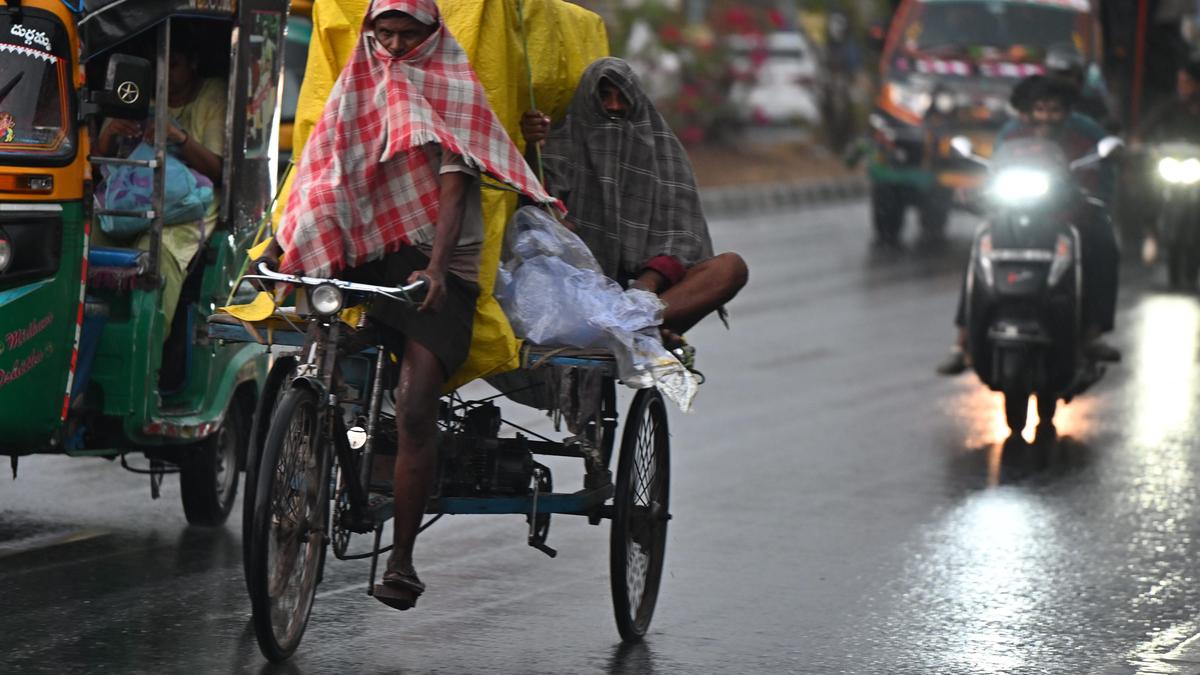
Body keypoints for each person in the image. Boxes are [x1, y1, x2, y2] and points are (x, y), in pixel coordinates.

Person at [258, 0, 558, 611]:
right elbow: (328, 162)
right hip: (377, 243)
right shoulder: (362, 77)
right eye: (384, 33)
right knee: (320, 337)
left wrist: (439, 269)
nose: (393, 46)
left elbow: (454, 188)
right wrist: (288, 239)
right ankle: (317, 427)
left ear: (430, 34)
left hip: (440, 259)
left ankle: (401, 560)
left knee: (418, 403)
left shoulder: (452, 85)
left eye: (405, 34)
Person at [520, 57, 748, 348]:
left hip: (649, 296)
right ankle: (639, 330)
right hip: (578, 291)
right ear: (589, 100)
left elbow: (683, 237)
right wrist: (531, 147)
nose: (614, 106)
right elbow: (535, 211)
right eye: (604, 96)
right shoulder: (563, 144)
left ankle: (634, 326)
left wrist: (645, 287)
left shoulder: (663, 151)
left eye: (622, 97)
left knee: (731, 268)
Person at [937, 75, 1121, 374]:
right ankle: (962, 341)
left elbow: (1104, 172)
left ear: (1067, 111)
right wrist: (978, 195)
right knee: (981, 249)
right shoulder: (1011, 135)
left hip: (1070, 217)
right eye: (1040, 109)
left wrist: (1094, 200)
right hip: (1016, 215)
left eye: (1055, 110)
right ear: (1026, 111)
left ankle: (1092, 334)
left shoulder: (1086, 133)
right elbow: (995, 174)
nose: (1046, 117)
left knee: (1103, 244)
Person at [93, 24, 226, 337]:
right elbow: (100, 159)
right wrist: (112, 131)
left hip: (185, 212)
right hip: (127, 205)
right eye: (158, 65)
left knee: (151, 255)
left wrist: (179, 137)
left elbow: (217, 170)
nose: (164, 73)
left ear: (192, 63)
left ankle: (148, 344)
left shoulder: (212, 95)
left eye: (174, 64)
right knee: (90, 245)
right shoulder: (138, 93)